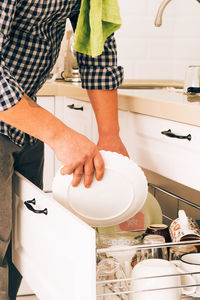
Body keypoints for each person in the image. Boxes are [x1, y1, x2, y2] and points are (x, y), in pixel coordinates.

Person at [0, 1, 128, 299]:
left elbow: (96, 48)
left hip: (23, 120)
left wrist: (110, 134)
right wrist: (60, 135)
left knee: (22, 244)